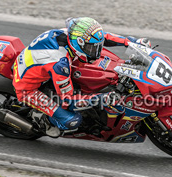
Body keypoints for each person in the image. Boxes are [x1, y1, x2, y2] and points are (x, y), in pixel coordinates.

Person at [12, 17, 150, 137]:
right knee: (72, 120)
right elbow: (69, 101)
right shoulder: (60, 65)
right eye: (91, 48)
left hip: (42, 66)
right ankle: (43, 120)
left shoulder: (74, 33)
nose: (95, 52)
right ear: (78, 43)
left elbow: (104, 37)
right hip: (28, 89)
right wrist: (102, 98)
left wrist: (131, 42)